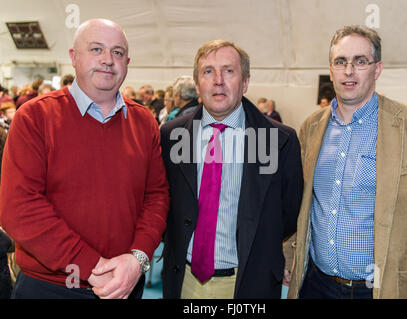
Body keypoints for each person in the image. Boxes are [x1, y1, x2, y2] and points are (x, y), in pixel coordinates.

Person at [0, 18, 170, 299]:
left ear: (127, 61)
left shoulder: (144, 121)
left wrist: (137, 259)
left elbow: (157, 196)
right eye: (96, 49)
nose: (107, 60)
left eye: (117, 52)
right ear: (73, 57)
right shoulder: (35, 117)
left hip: (124, 283)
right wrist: (92, 266)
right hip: (51, 287)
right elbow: (20, 207)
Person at [288, 25, 407, 299]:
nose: (349, 71)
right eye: (341, 61)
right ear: (331, 69)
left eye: (360, 61)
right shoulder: (311, 128)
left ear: (377, 69)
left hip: (380, 289)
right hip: (317, 285)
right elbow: (299, 206)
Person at [160, 39, 303, 299]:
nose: (218, 80)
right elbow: (164, 201)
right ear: (197, 83)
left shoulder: (279, 141)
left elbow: (289, 211)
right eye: (208, 71)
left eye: (228, 70)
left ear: (245, 82)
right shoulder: (172, 135)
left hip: (248, 281)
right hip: (184, 281)